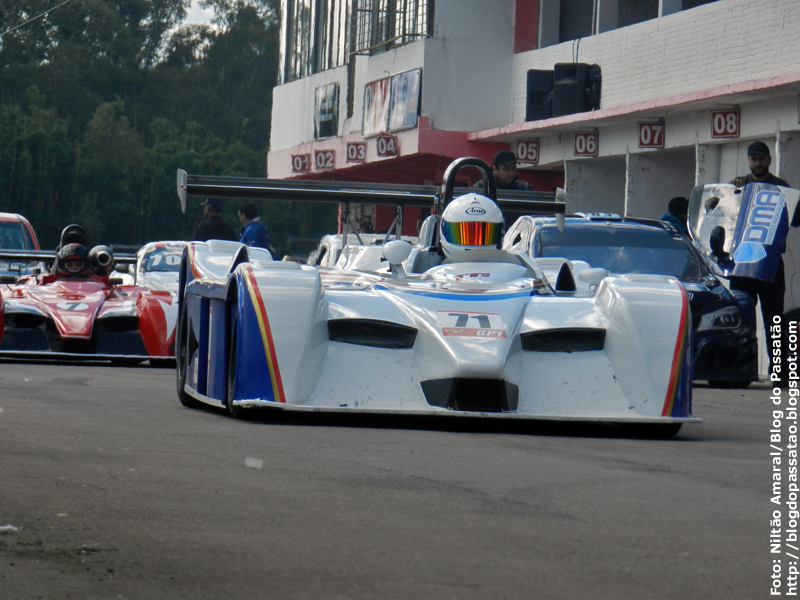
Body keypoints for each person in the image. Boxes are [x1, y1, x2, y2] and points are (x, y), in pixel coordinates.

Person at [728, 141, 793, 374]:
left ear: (769, 160)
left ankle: (780, 371)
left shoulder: (780, 186)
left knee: (774, 321)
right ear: (748, 161)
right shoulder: (738, 185)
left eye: (761, 159)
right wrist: (731, 192)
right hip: (742, 265)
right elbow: (721, 217)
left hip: (770, 265)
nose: (758, 163)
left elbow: (795, 220)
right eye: (753, 159)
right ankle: (739, 370)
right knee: (740, 320)